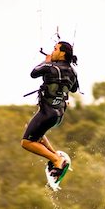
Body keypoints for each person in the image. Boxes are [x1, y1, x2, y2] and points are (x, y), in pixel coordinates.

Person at [21, 41, 79, 180]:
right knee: (34, 132)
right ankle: (57, 156)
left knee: (26, 142)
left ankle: (56, 160)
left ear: (62, 53)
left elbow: (34, 73)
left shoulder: (50, 67)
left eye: (55, 49)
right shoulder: (73, 72)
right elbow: (73, 88)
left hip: (47, 114)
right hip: (58, 114)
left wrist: (46, 61)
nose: (52, 52)